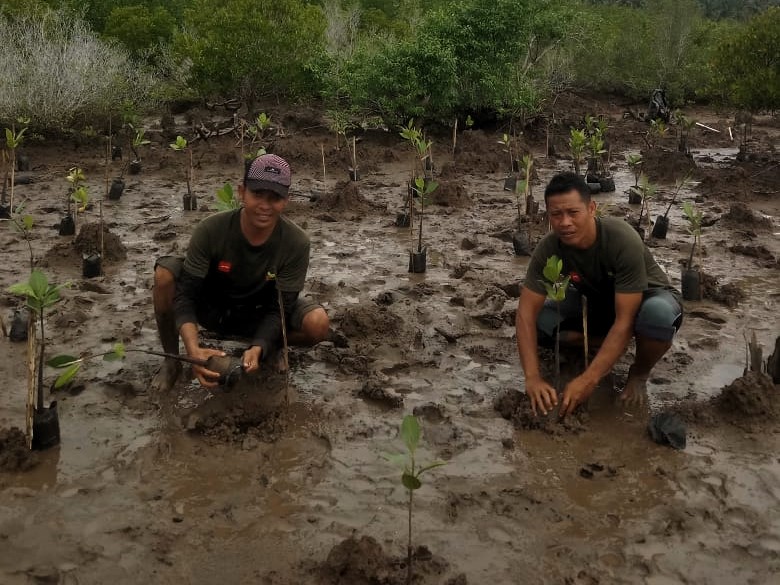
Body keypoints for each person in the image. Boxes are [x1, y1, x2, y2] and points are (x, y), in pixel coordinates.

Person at [151, 153, 330, 392]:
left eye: (275, 197)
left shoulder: (296, 243)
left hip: (260, 311)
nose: (265, 206)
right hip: (214, 306)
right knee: (164, 275)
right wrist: (192, 349)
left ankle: (269, 346)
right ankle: (172, 361)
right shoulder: (211, 229)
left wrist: (260, 345)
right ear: (241, 192)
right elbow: (186, 296)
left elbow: (280, 309)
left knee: (318, 323)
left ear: (285, 201)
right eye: (257, 194)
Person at [516, 172, 683, 417]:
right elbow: (525, 313)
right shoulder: (550, 247)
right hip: (600, 304)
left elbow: (625, 320)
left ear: (591, 208)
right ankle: (606, 344)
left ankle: (638, 373)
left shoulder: (621, 239)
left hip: (647, 298)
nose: (564, 223)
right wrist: (532, 377)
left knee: (655, 316)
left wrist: (589, 379)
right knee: (543, 322)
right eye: (556, 215)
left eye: (573, 213)